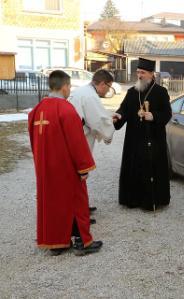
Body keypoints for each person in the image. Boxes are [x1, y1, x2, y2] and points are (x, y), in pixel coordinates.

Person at [28, 70, 103, 256]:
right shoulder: (66, 109)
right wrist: (83, 167)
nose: (70, 90)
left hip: (46, 168)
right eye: (69, 87)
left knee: (53, 204)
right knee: (76, 202)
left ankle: (57, 243)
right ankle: (81, 242)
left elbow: (33, 141)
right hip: (66, 169)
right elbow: (76, 142)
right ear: (64, 86)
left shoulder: (36, 110)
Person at [113, 58, 172, 210]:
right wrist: (118, 117)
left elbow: (167, 114)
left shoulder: (161, 92)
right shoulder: (132, 92)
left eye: (143, 72)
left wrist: (153, 116)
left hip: (153, 138)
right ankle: (133, 200)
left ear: (152, 74)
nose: (139, 75)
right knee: (135, 168)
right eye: (138, 72)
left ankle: (153, 201)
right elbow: (123, 109)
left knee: (152, 168)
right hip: (134, 138)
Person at [69, 70, 116, 216]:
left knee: (78, 175)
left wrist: (108, 116)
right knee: (79, 175)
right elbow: (98, 121)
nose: (109, 90)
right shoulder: (90, 96)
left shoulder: (83, 91)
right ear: (102, 84)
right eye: (109, 86)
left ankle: (80, 206)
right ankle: (78, 212)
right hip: (80, 140)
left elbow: (93, 115)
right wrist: (109, 134)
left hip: (75, 138)